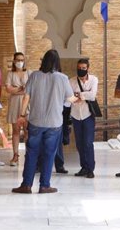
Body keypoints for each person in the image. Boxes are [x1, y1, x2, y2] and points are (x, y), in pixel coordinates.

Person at [12, 50, 77, 194]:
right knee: (49, 154)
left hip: (36, 121)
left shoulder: (34, 75)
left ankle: (26, 185)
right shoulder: (63, 78)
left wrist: (22, 115)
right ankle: (44, 185)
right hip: (54, 123)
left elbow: (26, 98)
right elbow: (70, 98)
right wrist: (77, 98)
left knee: (32, 153)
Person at [70, 58, 98, 178]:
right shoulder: (71, 81)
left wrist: (79, 95)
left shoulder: (93, 79)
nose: (81, 70)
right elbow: (69, 97)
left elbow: (92, 96)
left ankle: (90, 168)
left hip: (88, 115)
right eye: (79, 68)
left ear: (88, 68)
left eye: (83, 68)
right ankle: (84, 167)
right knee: (79, 143)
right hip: (76, 115)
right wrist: (83, 95)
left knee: (88, 142)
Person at [5, 52, 31, 167]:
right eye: (18, 60)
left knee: (27, 130)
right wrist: (20, 89)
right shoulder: (10, 74)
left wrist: (17, 89)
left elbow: (30, 89)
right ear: (14, 61)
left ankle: (29, 154)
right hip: (15, 103)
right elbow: (8, 89)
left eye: (22, 59)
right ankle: (15, 155)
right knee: (16, 130)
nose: (20, 62)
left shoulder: (29, 73)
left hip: (27, 102)